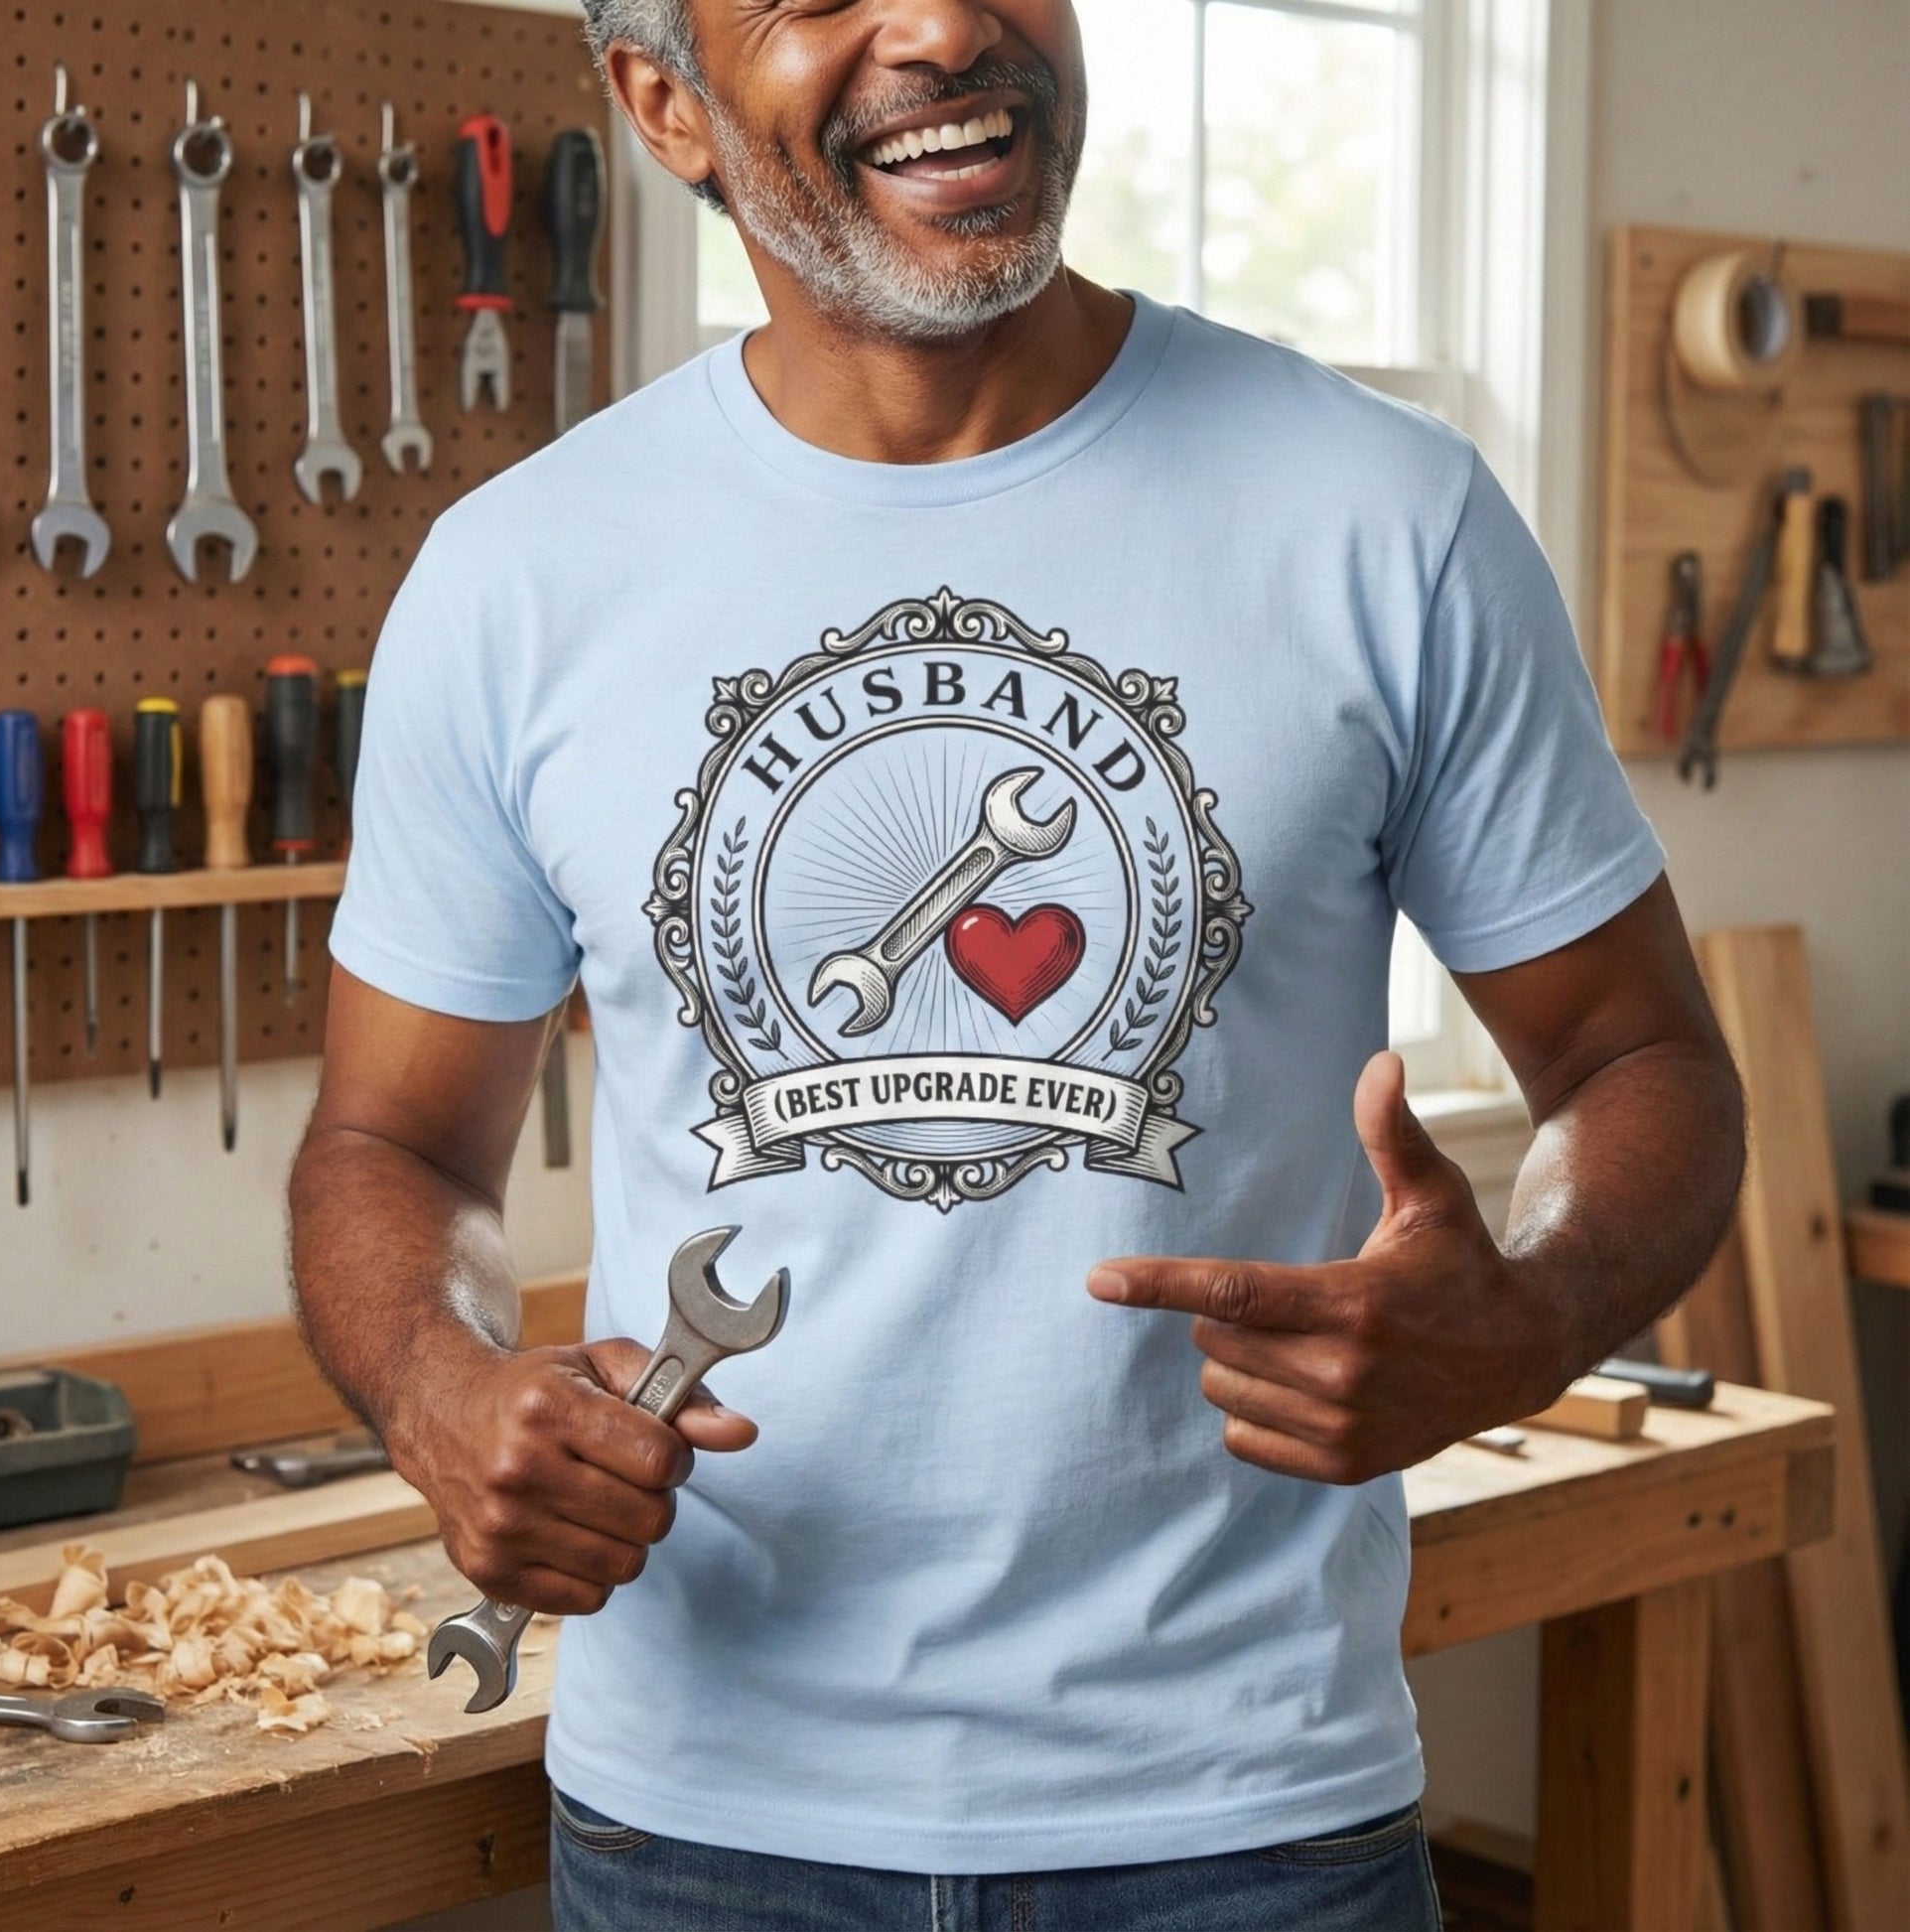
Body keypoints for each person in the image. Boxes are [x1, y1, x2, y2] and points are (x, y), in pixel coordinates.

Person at [287, 3, 1744, 1927]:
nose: (946, 23)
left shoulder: (1388, 513)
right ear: (665, 105)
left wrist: (1530, 1314)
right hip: (705, 1829)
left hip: (1248, 1824)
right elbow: (387, 1149)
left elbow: (1642, 1057)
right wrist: (436, 1385)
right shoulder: (516, 579)